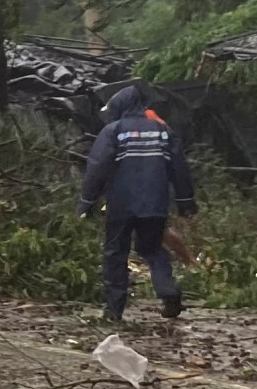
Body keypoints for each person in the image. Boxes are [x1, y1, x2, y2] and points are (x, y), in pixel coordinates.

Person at [80, 82, 194, 322]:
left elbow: (97, 168)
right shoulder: (163, 130)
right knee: (152, 249)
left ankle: (114, 311)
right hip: (155, 204)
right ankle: (169, 292)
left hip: (121, 204)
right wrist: (186, 202)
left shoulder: (115, 130)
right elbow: (179, 168)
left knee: (115, 252)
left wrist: (87, 202)